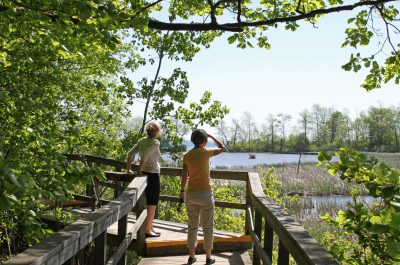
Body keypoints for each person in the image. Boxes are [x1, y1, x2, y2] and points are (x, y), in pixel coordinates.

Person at [180, 129, 224, 265]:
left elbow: (184, 176)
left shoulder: (186, 155)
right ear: (204, 140)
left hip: (191, 193)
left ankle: (192, 256)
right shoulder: (206, 152)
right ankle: (208, 258)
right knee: (207, 227)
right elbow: (222, 148)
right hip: (205, 194)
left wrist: (182, 191)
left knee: (192, 226)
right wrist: (211, 136)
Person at [127, 121, 161, 238]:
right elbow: (145, 157)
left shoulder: (141, 141)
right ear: (157, 132)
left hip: (144, 174)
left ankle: (150, 226)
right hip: (152, 174)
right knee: (152, 203)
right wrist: (139, 171)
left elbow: (130, 153)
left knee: (148, 202)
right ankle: (148, 229)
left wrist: (129, 170)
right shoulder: (155, 142)